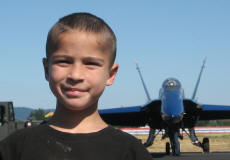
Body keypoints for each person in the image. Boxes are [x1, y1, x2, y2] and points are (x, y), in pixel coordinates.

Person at [0, 12, 153, 160]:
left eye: (91, 63)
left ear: (111, 75)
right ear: (47, 69)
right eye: (63, 61)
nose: (75, 75)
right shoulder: (14, 148)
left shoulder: (131, 153)